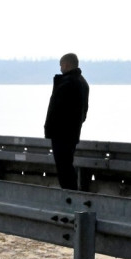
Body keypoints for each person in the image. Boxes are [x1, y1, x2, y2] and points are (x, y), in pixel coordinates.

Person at [44, 53, 90, 190]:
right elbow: (84, 111)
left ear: (67, 64)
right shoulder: (82, 82)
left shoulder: (68, 82)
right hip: (72, 132)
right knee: (67, 164)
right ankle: (71, 194)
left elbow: (57, 109)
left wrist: (50, 128)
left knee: (64, 167)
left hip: (61, 133)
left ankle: (69, 195)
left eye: (61, 65)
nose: (60, 68)